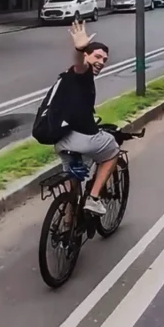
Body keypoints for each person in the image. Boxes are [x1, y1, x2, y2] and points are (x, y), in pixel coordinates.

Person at [53, 20, 118, 215]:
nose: (101, 62)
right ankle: (94, 198)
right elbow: (79, 66)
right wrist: (79, 48)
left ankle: (68, 231)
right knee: (112, 150)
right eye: (97, 56)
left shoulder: (65, 77)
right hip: (81, 138)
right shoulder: (82, 73)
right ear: (86, 55)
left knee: (74, 187)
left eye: (105, 59)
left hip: (60, 139)